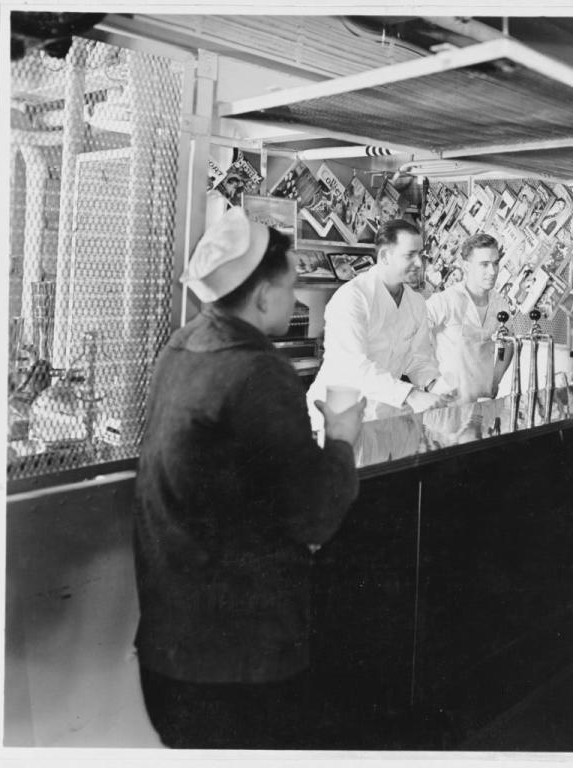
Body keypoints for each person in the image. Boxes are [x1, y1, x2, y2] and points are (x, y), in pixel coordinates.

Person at [133, 207, 365, 749]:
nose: (296, 299)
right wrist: (341, 436)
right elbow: (316, 513)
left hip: (170, 650)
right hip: (239, 666)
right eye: (291, 287)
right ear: (262, 297)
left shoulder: (180, 348)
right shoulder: (259, 371)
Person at [308, 219, 451, 425]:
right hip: (338, 416)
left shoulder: (416, 302)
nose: (419, 263)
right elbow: (353, 365)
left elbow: (418, 358)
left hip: (383, 414)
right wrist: (411, 394)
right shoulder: (352, 297)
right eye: (410, 255)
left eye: (421, 254)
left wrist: (435, 385)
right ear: (385, 256)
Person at [426, 233, 514, 403]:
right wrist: (428, 381)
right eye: (484, 264)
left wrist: (495, 380)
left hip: (481, 401)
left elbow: (508, 343)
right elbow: (412, 332)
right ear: (466, 266)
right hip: (444, 402)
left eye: (496, 263)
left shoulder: (500, 304)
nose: (492, 271)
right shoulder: (445, 300)